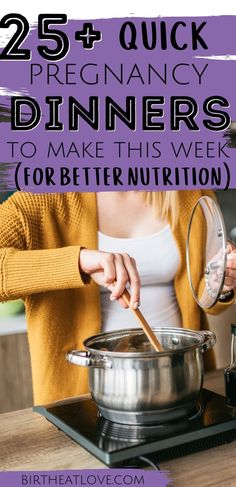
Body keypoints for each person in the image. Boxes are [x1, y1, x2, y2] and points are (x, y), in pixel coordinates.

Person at [0, 189, 235, 405]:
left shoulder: (189, 194)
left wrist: (220, 283)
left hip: (179, 380)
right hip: (81, 396)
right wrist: (79, 262)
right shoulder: (41, 198)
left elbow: (205, 296)